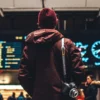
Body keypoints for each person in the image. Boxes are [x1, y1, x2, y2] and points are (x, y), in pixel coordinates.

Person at [18, 8, 85, 100]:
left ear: (39, 23)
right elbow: (79, 71)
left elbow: (23, 75)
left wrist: (36, 92)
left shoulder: (30, 46)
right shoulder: (67, 44)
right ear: (55, 23)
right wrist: (69, 89)